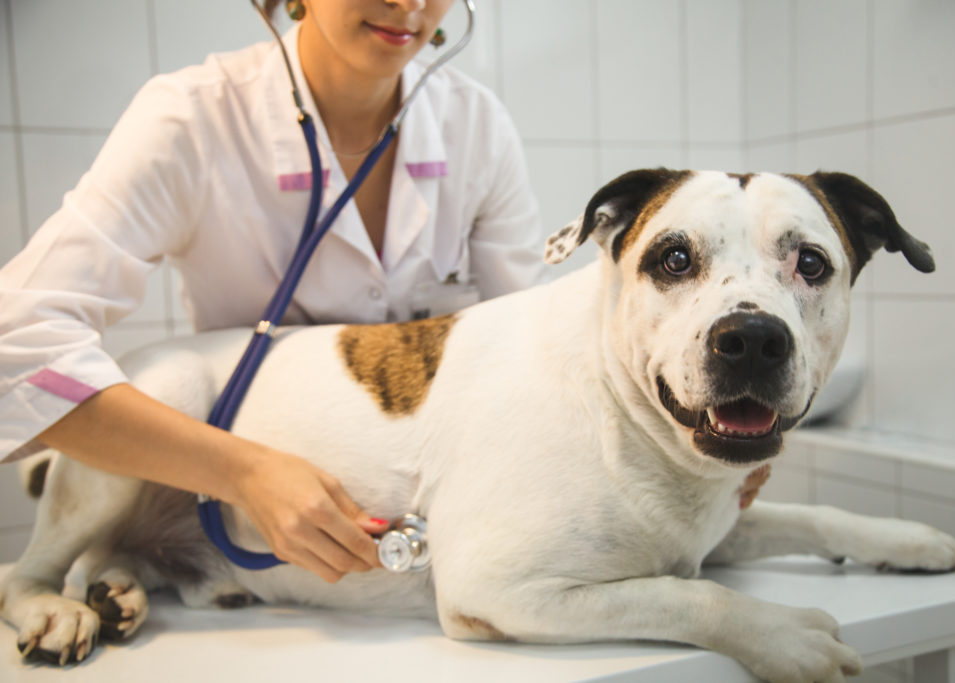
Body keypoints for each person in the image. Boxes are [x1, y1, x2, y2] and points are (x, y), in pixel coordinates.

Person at [0, 0, 548, 582]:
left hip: (420, 530)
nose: (409, 3)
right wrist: (243, 474)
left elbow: (532, 346)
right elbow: (19, 345)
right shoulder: (194, 118)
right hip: (229, 521)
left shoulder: (477, 126)